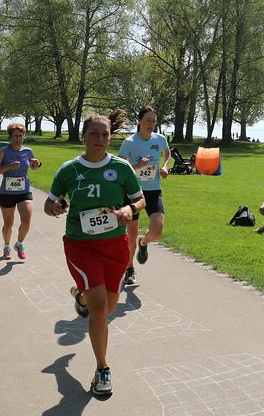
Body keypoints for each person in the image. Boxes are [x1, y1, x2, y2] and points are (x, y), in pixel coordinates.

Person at [44, 111, 143, 397]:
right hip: (81, 246)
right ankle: (102, 369)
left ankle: (81, 296)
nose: (99, 139)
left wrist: (129, 209)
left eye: (104, 134)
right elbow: (49, 205)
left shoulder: (122, 168)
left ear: (110, 137)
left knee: (108, 307)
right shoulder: (69, 169)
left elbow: (140, 200)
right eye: (94, 134)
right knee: (100, 310)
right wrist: (57, 207)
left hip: (115, 246)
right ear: (84, 136)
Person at [117, 105, 170, 286]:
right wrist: (137, 167)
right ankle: (129, 268)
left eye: (154, 121)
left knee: (157, 230)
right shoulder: (130, 142)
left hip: (154, 190)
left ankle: (144, 242)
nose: (151, 124)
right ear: (139, 121)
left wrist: (164, 166)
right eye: (148, 120)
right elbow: (121, 169)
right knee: (131, 235)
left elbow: (167, 152)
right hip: (133, 192)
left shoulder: (160, 139)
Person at [0, 123, 41, 259]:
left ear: (23, 136)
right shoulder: (3, 152)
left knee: (26, 220)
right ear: (10, 137)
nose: (18, 139)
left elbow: (33, 167)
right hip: (7, 193)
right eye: (15, 136)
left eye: (20, 135)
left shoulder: (28, 151)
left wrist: (36, 164)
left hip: (24, 191)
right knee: (9, 223)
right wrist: (9, 166)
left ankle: (19, 244)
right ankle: (6, 246)